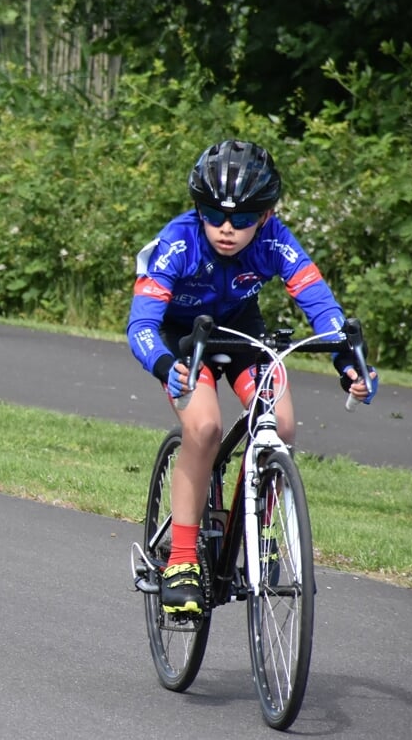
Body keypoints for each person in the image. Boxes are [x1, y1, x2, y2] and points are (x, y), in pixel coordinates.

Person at [127, 139, 377, 614]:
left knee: (280, 426)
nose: (226, 229)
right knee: (203, 428)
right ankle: (182, 558)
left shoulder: (277, 239)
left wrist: (349, 366)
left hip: (242, 332)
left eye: (242, 219)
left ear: (263, 216)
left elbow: (322, 308)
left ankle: (257, 529)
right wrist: (165, 364)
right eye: (213, 215)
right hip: (185, 339)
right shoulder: (177, 241)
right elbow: (140, 324)